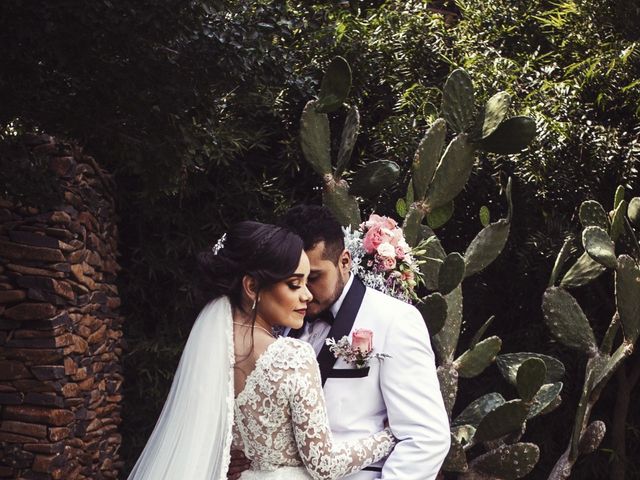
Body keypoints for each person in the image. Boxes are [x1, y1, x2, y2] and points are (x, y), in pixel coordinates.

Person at [127, 221, 396, 480]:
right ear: (252, 287)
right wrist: (387, 437)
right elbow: (324, 464)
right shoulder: (292, 356)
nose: (307, 295)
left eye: (307, 282)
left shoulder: (212, 351)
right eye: (294, 284)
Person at [230, 205, 450, 480]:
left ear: (344, 261)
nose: (305, 293)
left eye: (313, 278)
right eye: (293, 281)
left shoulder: (395, 321)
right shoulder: (280, 323)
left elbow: (426, 436)